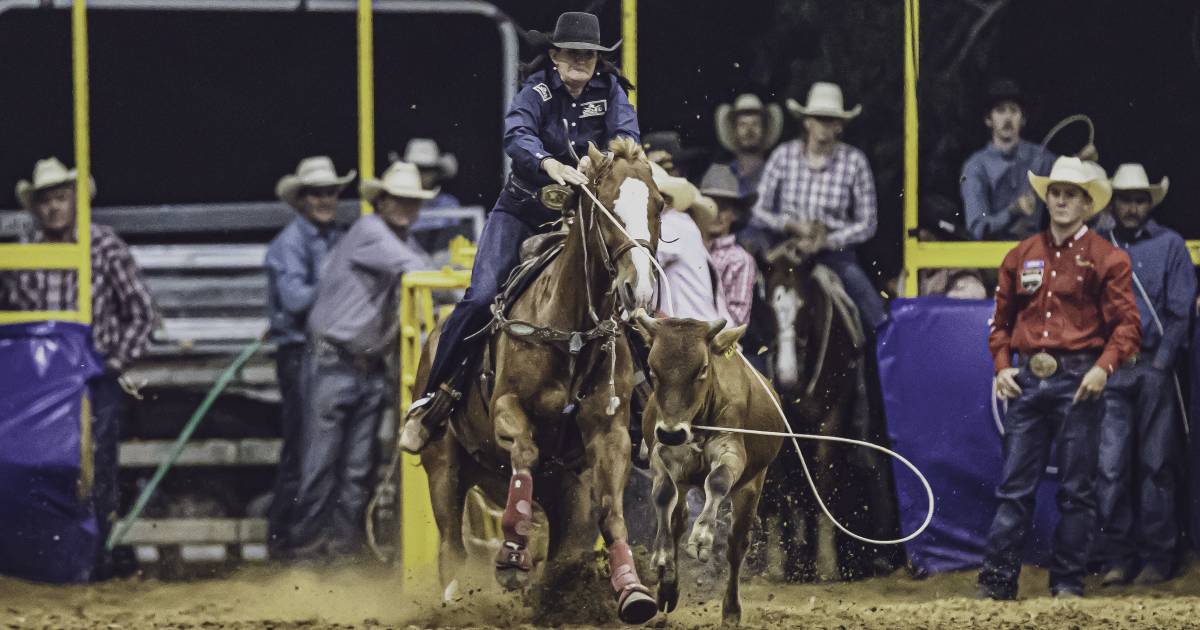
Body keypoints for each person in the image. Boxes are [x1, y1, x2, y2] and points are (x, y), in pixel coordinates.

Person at [399, 11, 639, 453]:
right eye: (573, 54)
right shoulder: (537, 91)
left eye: (588, 55)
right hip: (524, 211)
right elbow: (517, 134)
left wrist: (601, 160)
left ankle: (642, 415)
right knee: (480, 296)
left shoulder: (611, 93)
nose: (581, 62)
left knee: (631, 305)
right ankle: (433, 401)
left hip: (582, 221)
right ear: (555, 55)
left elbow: (627, 138)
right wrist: (551, 165)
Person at [980, 156, 1141, 600]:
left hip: (1078, 379)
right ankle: (997, 585)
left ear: (1088, 204)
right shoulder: (1021, 256)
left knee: (1076, 490)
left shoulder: (1108, 259)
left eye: (1072, 194)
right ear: (1046, 198)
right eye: (1056, 192)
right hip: (1030, 378)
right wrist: (1001, 366)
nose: (1062, 200)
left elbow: (1128, 325)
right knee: (1015, 488)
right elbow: (1000, 325)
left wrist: (1102, 367)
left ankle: (1067, 582)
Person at [2, 157, 155, 580]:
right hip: (38, 383)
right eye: (45, 200)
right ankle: (41, 561)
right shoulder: (26, 252)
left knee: (96, 468)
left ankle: (94, 559)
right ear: (35, 207)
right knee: (32, 467)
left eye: (60, 198)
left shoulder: (103, 246)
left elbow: (142, 312)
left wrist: (114, 362)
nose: (53, 208)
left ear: (75, 201)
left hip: (92, 379)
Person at [287, 161, 434, 560]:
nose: (406, 208)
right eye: (399, 200)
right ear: (382, 202)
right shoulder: (371, 232)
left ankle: (340, 551)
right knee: (322, 466)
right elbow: (420, 271)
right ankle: (307, 551)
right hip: (335, 361)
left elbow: (425, 268)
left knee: (355, 469)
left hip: (364, 366)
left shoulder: (397, 237)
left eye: (412, 201)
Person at [1093, 163, 1194, 586]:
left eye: (1138, 199)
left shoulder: (1170, 245)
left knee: (1157, 464)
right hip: (1112, 369)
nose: (1131, 207)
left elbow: (1179, 311)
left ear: (1149, 203)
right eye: (1124, 199)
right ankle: (1119, 555)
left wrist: (1161, 363)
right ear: (1113, 203)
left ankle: (1158, 556)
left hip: (1154, 364)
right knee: (1111, 466)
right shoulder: (1098, 244)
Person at [263, 155, 353, 558]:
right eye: (317, 193)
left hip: (330, 354)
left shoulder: (337, 238)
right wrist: (338, 282)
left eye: (331, 192)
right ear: (301, 199)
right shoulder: (290, 244)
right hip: (300, 353)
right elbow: (296, 300)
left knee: (325, 450)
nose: (325, 199)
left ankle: (313, 536)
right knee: (303, 447)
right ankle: (286, 536)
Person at [750, 81, 886, 331]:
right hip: (786, 247)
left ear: (840, 126)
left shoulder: (854, 161)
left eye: (830, 120)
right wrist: (791, 224)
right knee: (753, 300)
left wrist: (828, 240)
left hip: (835, 253)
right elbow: (758, 211)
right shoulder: (784, 155)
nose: (824, 126)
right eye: (818, 119)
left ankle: (875, 363)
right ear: (806, 122)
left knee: (874, 312)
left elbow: (868, 224)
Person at [959, 79, 1059, 241]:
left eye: (1013, 111)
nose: (1007, 118)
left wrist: (1082, 160)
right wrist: (1013, 211)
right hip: (990, 259)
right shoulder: (975, 166)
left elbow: (1069, 177)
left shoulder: (1040, 158)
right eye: (1000, 110)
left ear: (1023, 119)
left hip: (1032, 256)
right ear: (988, 119)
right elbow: (977, 229)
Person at [700, 163, 757, 326]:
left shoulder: (740, 259)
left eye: (723, 208)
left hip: (719, 342)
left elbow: (737, 318)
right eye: (710, 206)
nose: (716, 213)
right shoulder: (690, 248)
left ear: (735, 214)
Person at [713, 93, 783, 197]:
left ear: (765, 130)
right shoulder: (720, 176)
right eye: (742, 124)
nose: (749, 131)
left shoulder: (776, 176)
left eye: (755, 124)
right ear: (734, 131)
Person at [401, 138, 461, 210]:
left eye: (428, 169)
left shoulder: (449, 204)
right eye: (418, 169)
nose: (423, 174)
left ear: (437, 172)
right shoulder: (397, 203)